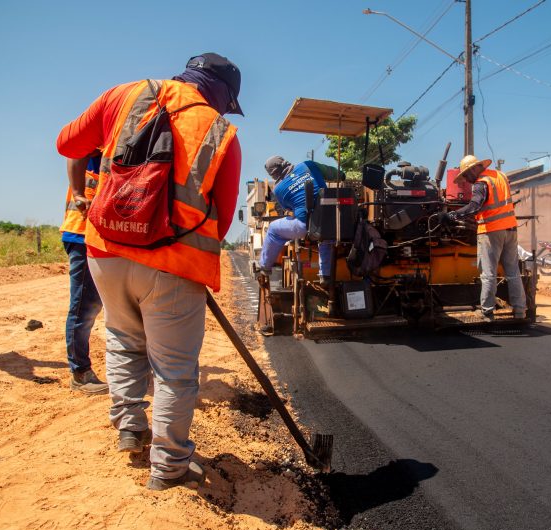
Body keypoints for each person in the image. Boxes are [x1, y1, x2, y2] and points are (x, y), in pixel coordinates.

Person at [56, 52, 242, 491]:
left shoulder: (123, 95)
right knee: (174, 371)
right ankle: (170, 468)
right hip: (173, 264)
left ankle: (130, 428)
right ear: (221, 94)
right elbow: (225, 217)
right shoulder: (222, 133)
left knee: (122, 340)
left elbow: (68, 145)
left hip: (105, 249)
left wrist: (84, 190)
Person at [445, 155, 526, 321]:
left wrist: (452, 215)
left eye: (467, 175)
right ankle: (520, 311)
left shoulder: (481, 183)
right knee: (513, 272)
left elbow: (474, 206)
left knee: (488, 273)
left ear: (474, 168)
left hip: (491, 231)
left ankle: (487, 312)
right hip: (510, 228)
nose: (467, 180)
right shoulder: (500, 176)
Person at [59, 152, 107, 395]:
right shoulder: (96, 142)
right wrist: (78, 194)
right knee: (83, 307)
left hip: (101, 235)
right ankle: (80, 373)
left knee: (95, 305)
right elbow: (75, 152)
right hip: (82, 234)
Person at [257, 156, 342, 286]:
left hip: (305, 225)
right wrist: (342, 175)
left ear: (273, 174)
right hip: (332, 219)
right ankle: (325, 275)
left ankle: (265, 267)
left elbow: (289, 208)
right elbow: (331, 172)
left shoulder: (278, 190)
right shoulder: (308, 165)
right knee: (325, 233)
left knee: (273, 229)